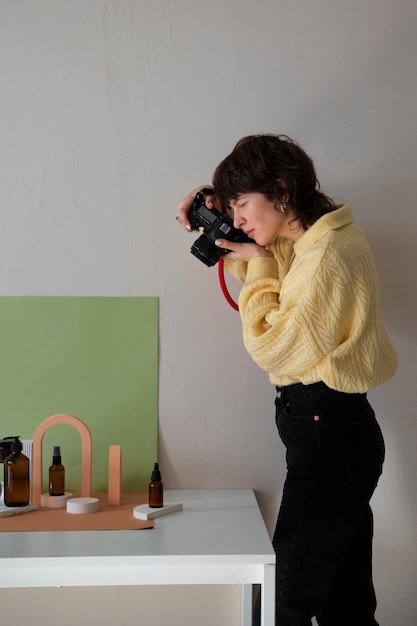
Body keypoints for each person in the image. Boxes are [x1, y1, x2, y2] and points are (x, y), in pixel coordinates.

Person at [177, 134, 398, 626]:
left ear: (281, 188)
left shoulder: (327, 257)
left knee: (283, 599)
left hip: (329, 433)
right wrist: (208, 205)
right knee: (345, 607)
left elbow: (272, 343)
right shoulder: (309, 238)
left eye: (242, 205)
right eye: (230, 208)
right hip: (336, 432)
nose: (237, 221)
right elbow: (267, 253)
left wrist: (256, 267)